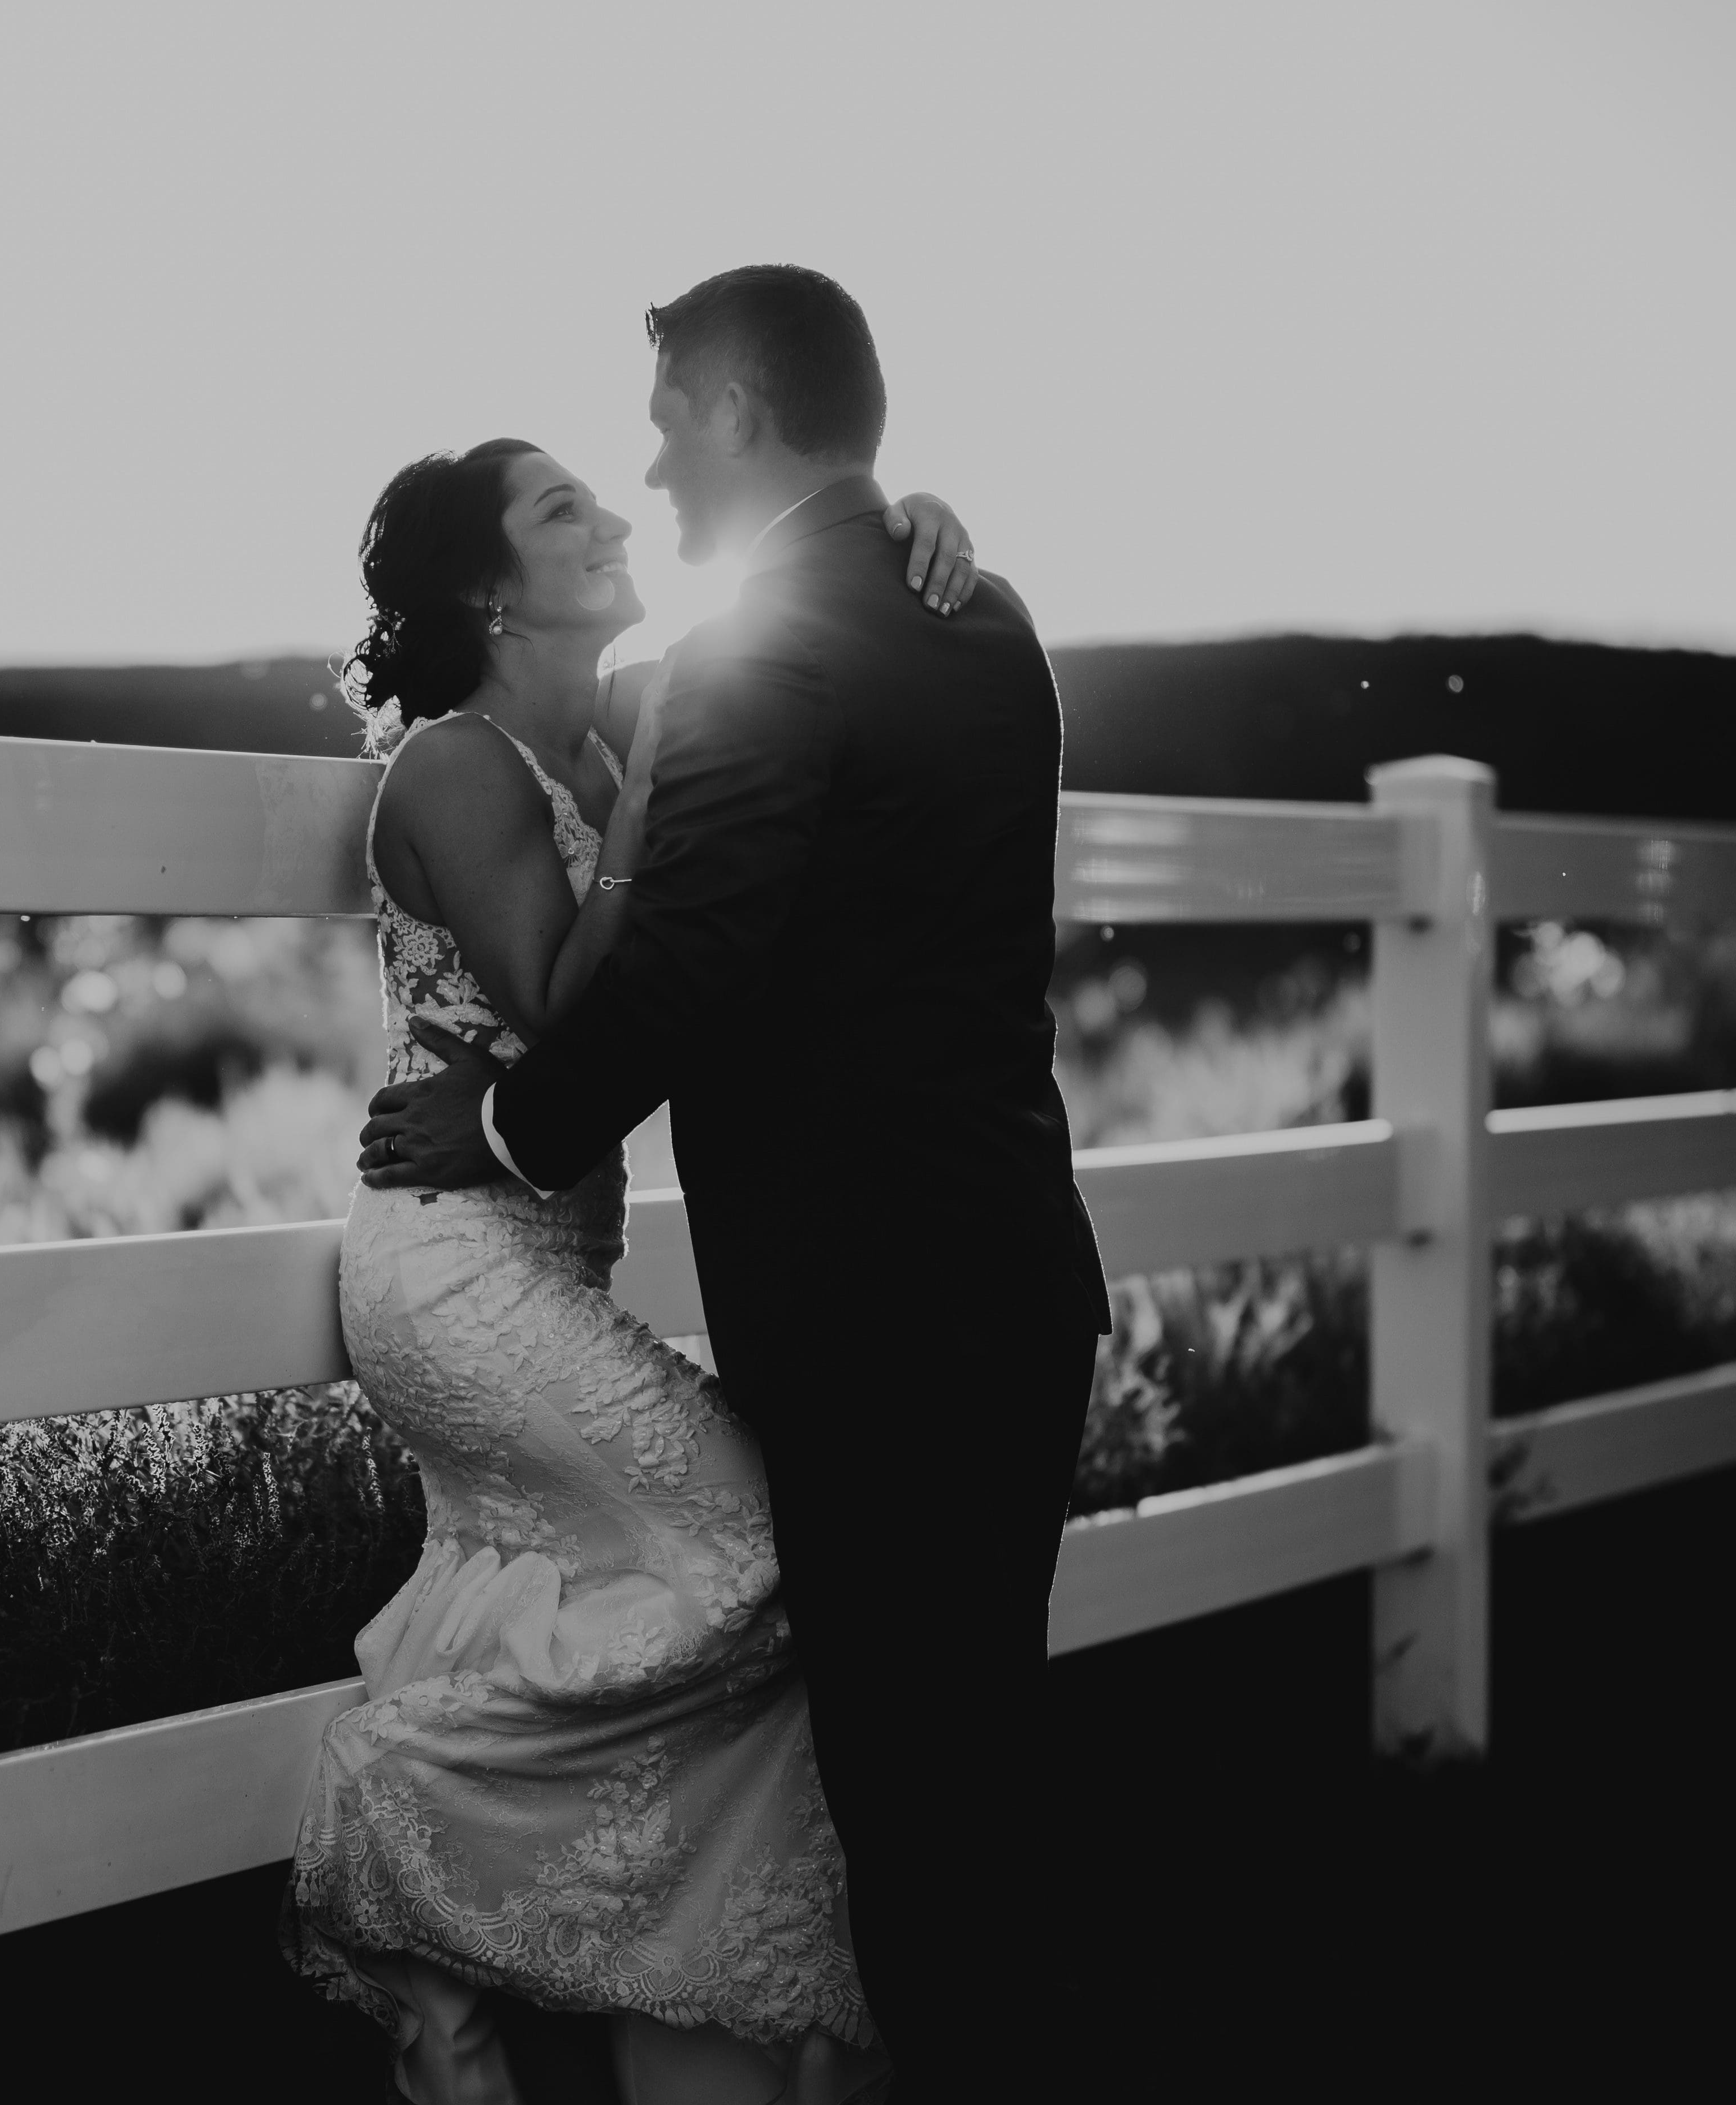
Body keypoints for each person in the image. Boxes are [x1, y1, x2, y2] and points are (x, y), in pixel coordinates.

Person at [350, 266, 1113, 2098]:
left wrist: (513, 1132)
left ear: (748, 414)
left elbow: (692, 960)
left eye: (672, 420)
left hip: (873, 1310)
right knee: (975, 1770)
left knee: (919, 1815)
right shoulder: (987, 615)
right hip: (1013, 1278)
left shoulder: (766, 647)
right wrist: (904, 516)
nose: (652, 466)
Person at [280, 424, 976, 2105]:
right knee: (756, 1545)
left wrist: (917, 535)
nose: (609, 516)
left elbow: (800, 609)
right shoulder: (459, 764)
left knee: (705, 1597)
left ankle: (624, 1991)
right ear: (486, 589)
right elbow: (562, 1017)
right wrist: (655, 801)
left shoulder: (609, 730)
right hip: (453, 1266)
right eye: (561, 509)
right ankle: (392, 1834)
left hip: (556, 1266)